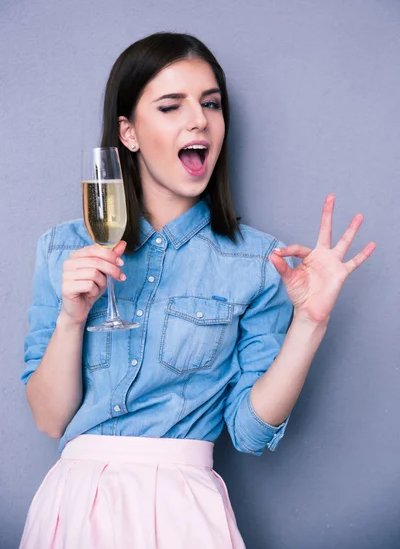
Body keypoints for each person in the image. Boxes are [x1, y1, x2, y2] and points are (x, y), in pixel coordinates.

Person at [19, 32, 376, 549]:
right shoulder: (63, 249)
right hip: (75, 507)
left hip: (185, 512)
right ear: (130, 133)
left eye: (211, 104)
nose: (199, 120)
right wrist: (73, 317)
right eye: (171, 106)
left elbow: (250, 435)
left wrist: (310, 323)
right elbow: (50, 419)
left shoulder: (259, 262)